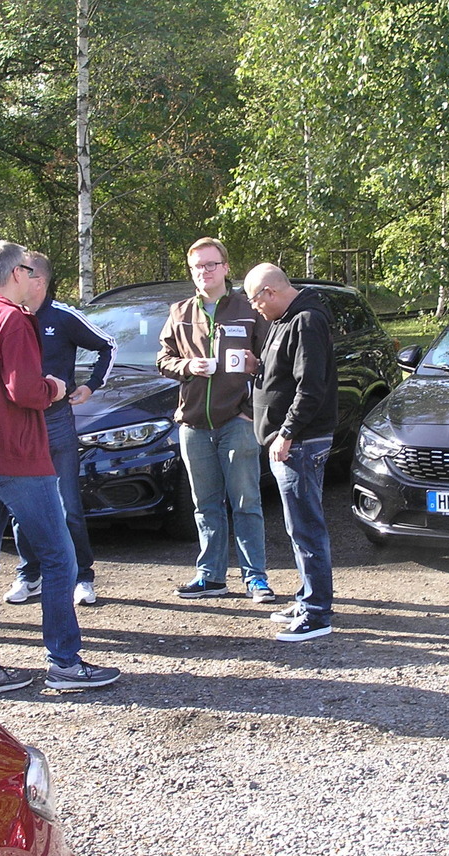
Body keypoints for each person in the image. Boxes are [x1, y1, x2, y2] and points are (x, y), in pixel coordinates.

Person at [0, 240, 120, 698]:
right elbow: (24, 390)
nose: (35, 278)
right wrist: (56, 387)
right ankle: (64, 662)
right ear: (15, 272)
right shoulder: (11, 319)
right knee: (59, 556)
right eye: (29, 270)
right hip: (15, 457)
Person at [157, 237, 275, 603]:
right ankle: (211, 577)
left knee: (246, 503)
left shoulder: (248, 309)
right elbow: (163, 360)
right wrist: (188, 366)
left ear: (225, 267)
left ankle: (256, 578)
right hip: (193, 425)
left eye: (211, 265)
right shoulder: (179, 312)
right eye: (197, 267)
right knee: (205, 505)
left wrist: (250, 412)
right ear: (191, 272)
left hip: (238, 421)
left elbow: (273, 365)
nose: (204, 272)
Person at [3, 250, 116, 609]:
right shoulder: (9, 316)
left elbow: (107, 346)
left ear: (38, 280)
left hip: (56, 421)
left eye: (22, 272)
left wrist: (91, 385)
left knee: (68, 504)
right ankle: (29, 574)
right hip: (19, 422)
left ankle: (83, 576)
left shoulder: (63, 316)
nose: (15, 278)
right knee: (21, 506)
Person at [243, 263, 338, 642]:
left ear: (269, 291)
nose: (254, 308)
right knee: (297, 526)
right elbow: (282, 375)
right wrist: (257, 369)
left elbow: (311, 386)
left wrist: (287, 433)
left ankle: (318, 614)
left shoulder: (307, 321)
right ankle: (306, 598)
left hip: (300, 443)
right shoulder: (284, 320)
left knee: (307, 527)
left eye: (254, 299)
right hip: (288, 442)